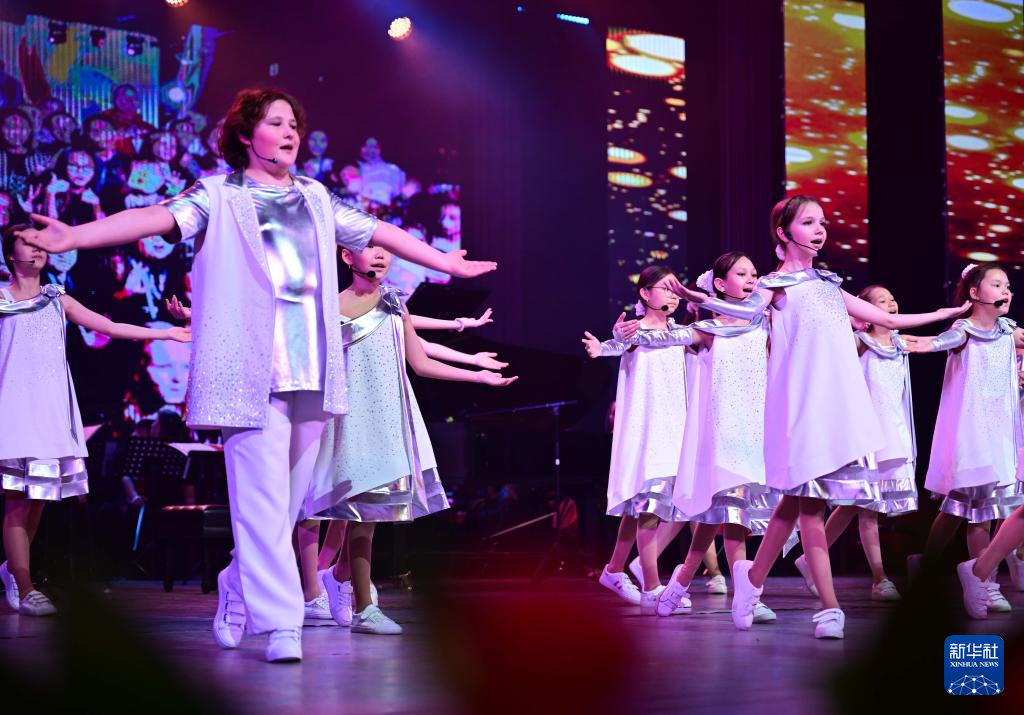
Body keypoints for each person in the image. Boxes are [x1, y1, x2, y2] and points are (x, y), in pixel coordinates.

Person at [15, 87, 496, 663]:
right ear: (246, 135)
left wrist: (443, 261)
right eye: (276, 122)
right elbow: (152, 217)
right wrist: (77, 236)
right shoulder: (218, 195)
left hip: (313, 369)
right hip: (248, 372)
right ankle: (281, 623)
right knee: (261, 498)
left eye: (294, 123)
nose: (290, 132)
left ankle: (236, 583)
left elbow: (377, 231)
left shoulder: (316, 197)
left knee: (289, 505)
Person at [671, 195, 967, 638]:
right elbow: (745, 310)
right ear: (784, 232)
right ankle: (829, 608)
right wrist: (695, 297)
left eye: (822, 222)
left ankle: (752, 581)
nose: (819, 230)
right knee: (809, 506)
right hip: (801, 407)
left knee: (795, 504)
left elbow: (887, 319)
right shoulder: (775, 285)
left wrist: (944, 314)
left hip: (838, 405)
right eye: (809, 222)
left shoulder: (828, 284)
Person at [0, 224, 189, 616]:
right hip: (14, 412)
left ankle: (14, 571)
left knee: (38, 501)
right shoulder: (2, 300)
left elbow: (111, 327)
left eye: (39, 243)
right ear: (10, 253)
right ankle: (26, 585)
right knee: (18, 503)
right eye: (27, 243)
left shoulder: (57, 299)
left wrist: (167, 333)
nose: (37, 249)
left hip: (52, 412)